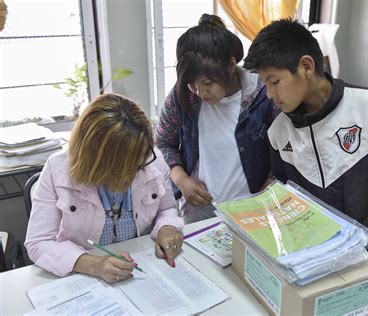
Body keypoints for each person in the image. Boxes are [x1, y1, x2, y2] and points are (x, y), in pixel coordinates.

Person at [243, 19, 368, 316]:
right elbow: (284, 194)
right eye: (264, 84)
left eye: (274, 81)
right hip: (315, 271)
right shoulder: (279, 131)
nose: (269, 94)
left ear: (306, 66)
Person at [25, 93, 184, 282]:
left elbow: (166, 209)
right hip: (83, 274)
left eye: (138, 162)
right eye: (122, 167)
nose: (133, 172)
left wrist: (167, 227)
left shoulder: (150, 159)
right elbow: (38, 242)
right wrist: (93, 264)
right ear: (96, 162)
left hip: (141, 262)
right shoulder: (57, 169)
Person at [156, 14, 279, 224]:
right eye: (192, 84)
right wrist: (182, 181)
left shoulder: (264, 95)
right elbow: (163, 143)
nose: (201, 92)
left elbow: (284, 158)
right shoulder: (181, 97)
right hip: (200, 210)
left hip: (255, 209)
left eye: (208, 83)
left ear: (231, 65)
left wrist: (262, 200)